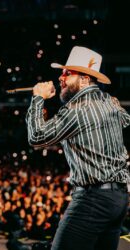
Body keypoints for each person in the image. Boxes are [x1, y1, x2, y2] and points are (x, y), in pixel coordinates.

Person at [26, 46, 130, 250]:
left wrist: (37, 98)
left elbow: (37, 137)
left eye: (67, 73)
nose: (60, 78)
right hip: (118, 199)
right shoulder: (110, 101)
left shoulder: (77, 108)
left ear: (84, 79)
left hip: (93, 199)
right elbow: (125, 119)